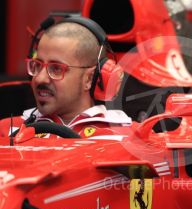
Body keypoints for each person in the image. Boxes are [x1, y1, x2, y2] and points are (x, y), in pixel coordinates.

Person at [0, 16, 132, 139]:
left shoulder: (128, 138)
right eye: (37, 65)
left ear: (89, 79)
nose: (40, 79)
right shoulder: (5, 131)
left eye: (56, 68)